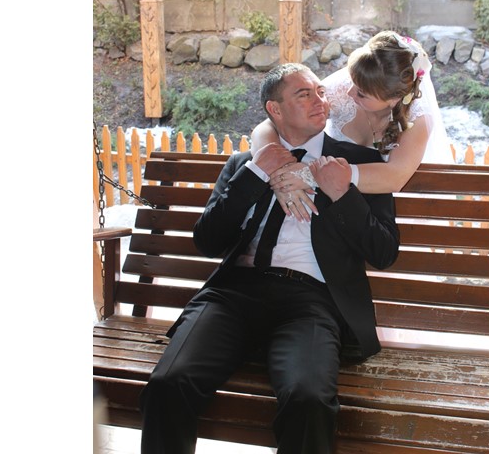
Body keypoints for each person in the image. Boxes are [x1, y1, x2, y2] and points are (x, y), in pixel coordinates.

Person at [139, 63, 400, 454]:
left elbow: (384, 252)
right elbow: (207, 241)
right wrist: (254, 175)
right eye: (303, 94)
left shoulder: (358, 163)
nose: (319, 100)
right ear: (274, 110)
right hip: (232, 296)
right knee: (168, 383)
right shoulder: (246, 162)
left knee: (309, 399)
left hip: (311, 303)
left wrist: (343, 193)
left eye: (319, 91)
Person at [251, 30, 453, 221]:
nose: (349, 93)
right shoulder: (341, 90)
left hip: (380, 214)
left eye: (361, 94)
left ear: (393, 99)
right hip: (328, 207)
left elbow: (395, 177)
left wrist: (310, 175)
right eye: (352, 82)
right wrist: (281, 175)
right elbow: (267, 127)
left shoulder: (416, 119)